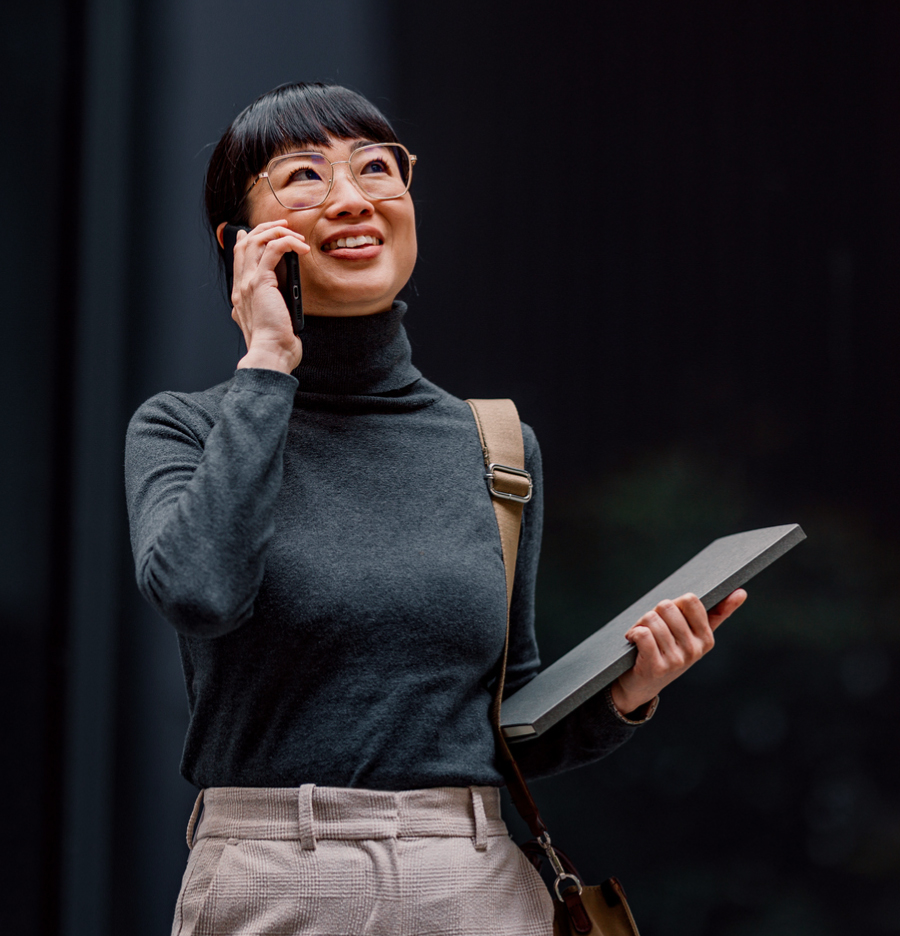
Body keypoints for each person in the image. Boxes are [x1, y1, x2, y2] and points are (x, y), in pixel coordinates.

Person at [124, 82, 746, 936]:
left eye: (378, 167)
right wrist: (268, 361)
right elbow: (201, 591)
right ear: (241, 244)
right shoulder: (185, 428)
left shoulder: (495, 445)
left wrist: (626, 692)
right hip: (275, 879)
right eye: (304, 176)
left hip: (472, 881)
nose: (353, 197)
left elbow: (504, 729)